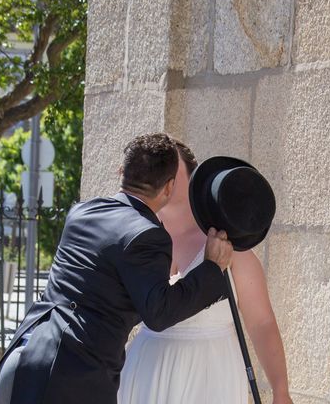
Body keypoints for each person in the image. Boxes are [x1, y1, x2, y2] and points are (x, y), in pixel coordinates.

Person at [0, 133, 235, 404]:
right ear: (169, 187)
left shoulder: (81, 213)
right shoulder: (147, 234)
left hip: (22, 358)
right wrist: (211, 268)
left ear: (121, 172)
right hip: (68, 377)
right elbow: (159, 312)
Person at [118, 141, 293, 404]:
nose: (162, 173)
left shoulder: (227, 243)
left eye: (171, 166)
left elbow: (262, 323)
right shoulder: (137, 239)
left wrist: (281, 391)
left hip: (210, 377)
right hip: (146, 373)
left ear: (192, 178)